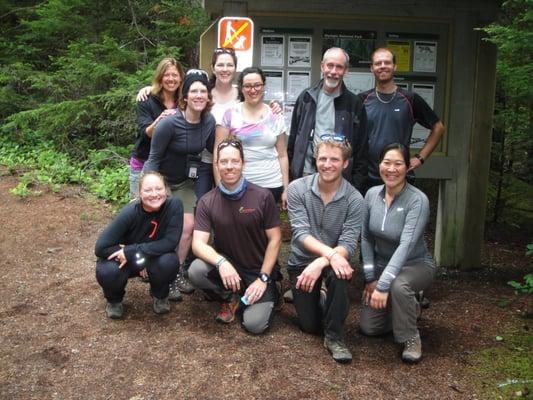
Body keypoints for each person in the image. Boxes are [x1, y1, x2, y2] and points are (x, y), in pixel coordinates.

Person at [189, 137, 282, 334]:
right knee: (196, 270)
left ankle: (269, 291)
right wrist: (221, 262)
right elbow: (198, 244)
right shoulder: (207, 201)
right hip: (230, 268)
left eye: (234, 161)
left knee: (254, 325)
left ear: (243, 163)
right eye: (224, 162)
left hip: (258, 270)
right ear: (217, 164)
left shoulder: (262, 196)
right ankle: (230, 296)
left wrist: (263, 278)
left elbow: (275, 239)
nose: (229, 167)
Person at [287, 137, 364, 363]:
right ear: (315, 159)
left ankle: (335, 338)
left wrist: (324, 260)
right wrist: (327, 255)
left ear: (345, 163)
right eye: (322, 158)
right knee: (310, 326)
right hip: (302, 261)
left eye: (334, 159)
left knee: (340, 273)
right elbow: (300, 234)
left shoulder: (354, 199)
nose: (327, 164)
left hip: (333, 262)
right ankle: (320, 297)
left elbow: (348, 243)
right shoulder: (297, 189)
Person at [143, 69, 216, 300]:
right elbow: (153, 158)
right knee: (157, 226)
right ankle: (154, 271)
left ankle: (176, 271)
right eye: (194, 91)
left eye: (203, 91)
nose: (198, 95)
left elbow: (210, 154)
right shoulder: (169, 122)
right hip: (162, 181)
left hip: (185, 183)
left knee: (188, 226)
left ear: (208, 97)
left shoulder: (208, 122)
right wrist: (147, 191)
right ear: (185, 96)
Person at [359, 143, 436, 363]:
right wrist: (371, 277)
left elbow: (406, 245)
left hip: (415, 264)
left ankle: (411, 337)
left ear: (407, 167)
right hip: (383, 267)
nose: (391, 169)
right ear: (379, 165)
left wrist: (383, 285)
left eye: (398, 164)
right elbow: (365, 238)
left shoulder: (417, 200)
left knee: (399, 285)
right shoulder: (371, 194)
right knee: (369, 328)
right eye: (387, 163)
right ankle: (408, 306)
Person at [95, 172, 183, 319]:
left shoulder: (174, 206)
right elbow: (101, 247)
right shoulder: (130, 212)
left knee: (169, 262)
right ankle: (114, 300)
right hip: (127, 261)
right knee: (107, 271)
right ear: (140, 193)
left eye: (159, 189)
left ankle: (160, 295)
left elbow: (170, 242)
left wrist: (132, 250)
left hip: (150, 257)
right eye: (148, 190)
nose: (154, 194)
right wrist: (130, 255)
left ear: (166, 190)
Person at [359, 47, 445, 193]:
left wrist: (420, 158)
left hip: (399, 176)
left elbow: (438, 127)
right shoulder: (362, 100)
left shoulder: (410, 99)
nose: (382, 66)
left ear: (395, 66)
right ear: (372, 68)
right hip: (368, 177)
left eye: (387, 62)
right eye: (378, 63)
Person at [287, 47, 368, 192]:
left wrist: (356, 186)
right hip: (306, 174)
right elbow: (293, 140)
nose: (333, 71)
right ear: (322, 66)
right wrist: (290, 178)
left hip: (339, 179)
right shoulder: (306, 97)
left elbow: (361, 150)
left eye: (339, 67)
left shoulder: (354, 103)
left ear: (346, 71)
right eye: (330, 65)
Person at [214, 67, 289, 209]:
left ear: (263, 86)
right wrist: (220, 187)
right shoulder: (230, 115)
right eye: (248, 86)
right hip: (239, 182)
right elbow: (217, 156)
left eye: (257, 85)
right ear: (241, 88)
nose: (253, 90)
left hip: (271, 183)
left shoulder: (275, 117)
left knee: (265, 228)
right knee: (238, 226)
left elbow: (282, 155)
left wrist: (286, 188)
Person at [130, 58, 184, 198]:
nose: (171, 79)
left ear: (180, 78)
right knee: (140, 210)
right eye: (166, 75)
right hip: (143, 162)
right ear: (160, 77)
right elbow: (145, 132)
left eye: (174, 75)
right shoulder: (146, 99)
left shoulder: (185, 101)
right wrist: (159, 121)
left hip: (170, 168)